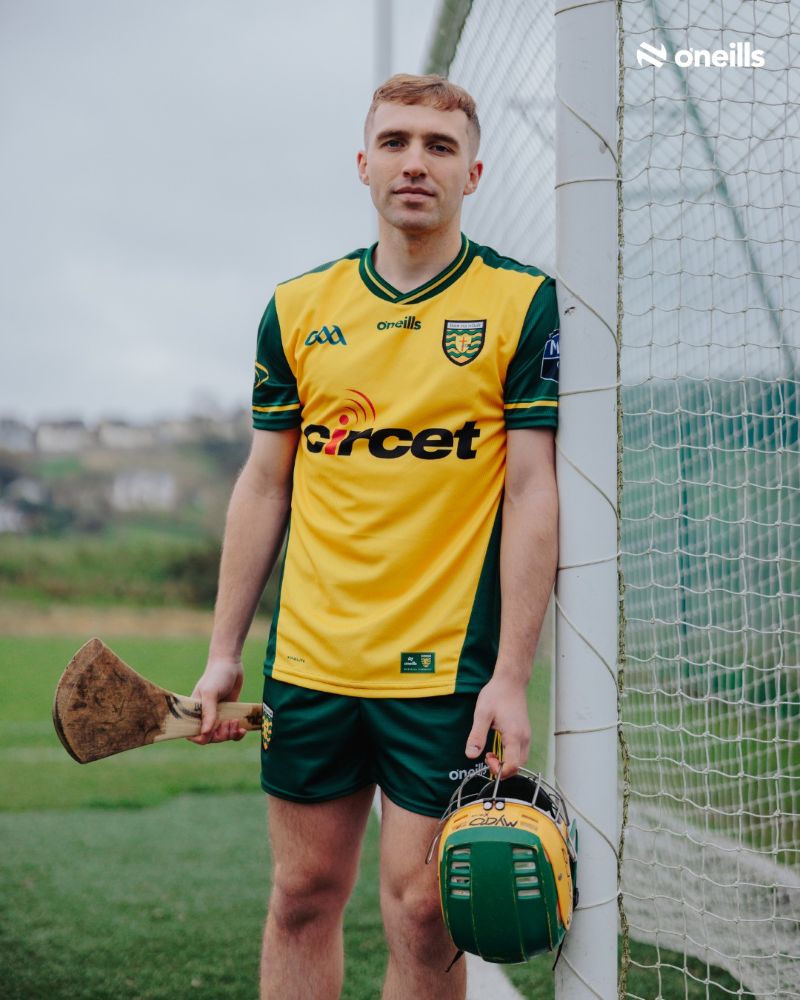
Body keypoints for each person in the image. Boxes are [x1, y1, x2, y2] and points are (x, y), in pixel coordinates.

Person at [190, 73, 559, 1000]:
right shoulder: (298, 308)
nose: (415, 163)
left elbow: (532, 491)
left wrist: (513, 675)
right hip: (310, 662)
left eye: (439, 146)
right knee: (302, 894)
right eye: (395, 142)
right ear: (364, 164)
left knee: (426, 913)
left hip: (444, 672)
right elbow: (264, 484)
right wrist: (223, 652)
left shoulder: (522, 304)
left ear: (474, 173)